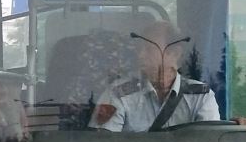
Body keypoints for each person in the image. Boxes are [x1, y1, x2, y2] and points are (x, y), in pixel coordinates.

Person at [91, 20, 221, 131]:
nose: (140, 55)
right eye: (140, 49)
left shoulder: (201, 97)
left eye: (149, 49)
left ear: (174, 54)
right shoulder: (117, 94)